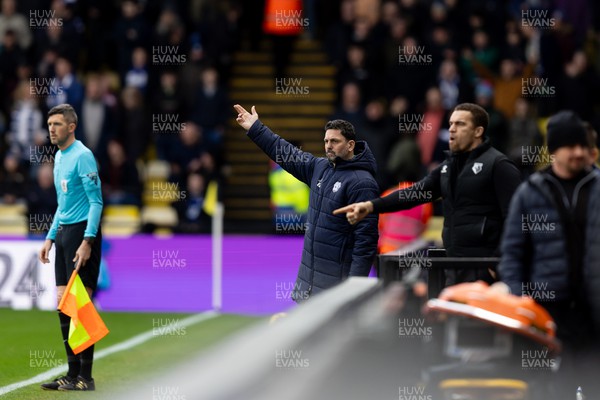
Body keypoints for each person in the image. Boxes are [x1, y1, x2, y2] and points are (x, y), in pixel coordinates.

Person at [334, 103, 522, 285]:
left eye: (460, 124)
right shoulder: (447, 168)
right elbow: (415, 193)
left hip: (485, 267)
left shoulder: (499, 166)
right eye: (450, 124)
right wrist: (372, 206)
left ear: (478, 131)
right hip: (453, 266)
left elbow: (516, 219)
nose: (452, 129)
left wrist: (498, 261)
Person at [498, 110, 600, 399]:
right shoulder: (529, 193)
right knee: (551, 392)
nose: (580, 152)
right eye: (571, 146)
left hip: (593, 315)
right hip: (548, 316)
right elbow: (513, 253)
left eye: (583, 146)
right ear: (554, 150)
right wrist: (521, 302)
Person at [233, 104, 379, 301]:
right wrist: (255, 127)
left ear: (351, 145)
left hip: (337, 289)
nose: (328, 145)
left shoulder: (362, 183)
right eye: (326, 140)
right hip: (308, 285)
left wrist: (354, 288)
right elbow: (285, 152)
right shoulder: (320, 167)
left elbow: (366, 241)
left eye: (335, 141)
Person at [38, 104, 103, 391]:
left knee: (80, 307)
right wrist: (50, 237)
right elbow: (62, 205)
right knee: (64, 307)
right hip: (64, 235)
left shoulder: (84, 156)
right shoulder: (59, 158)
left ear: (72, 126)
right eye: (50, 124)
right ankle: (71, 373)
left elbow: (96, 202)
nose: (52, 129)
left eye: (57, 124)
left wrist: (88, 241)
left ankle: (86, 378)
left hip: (81, 235)